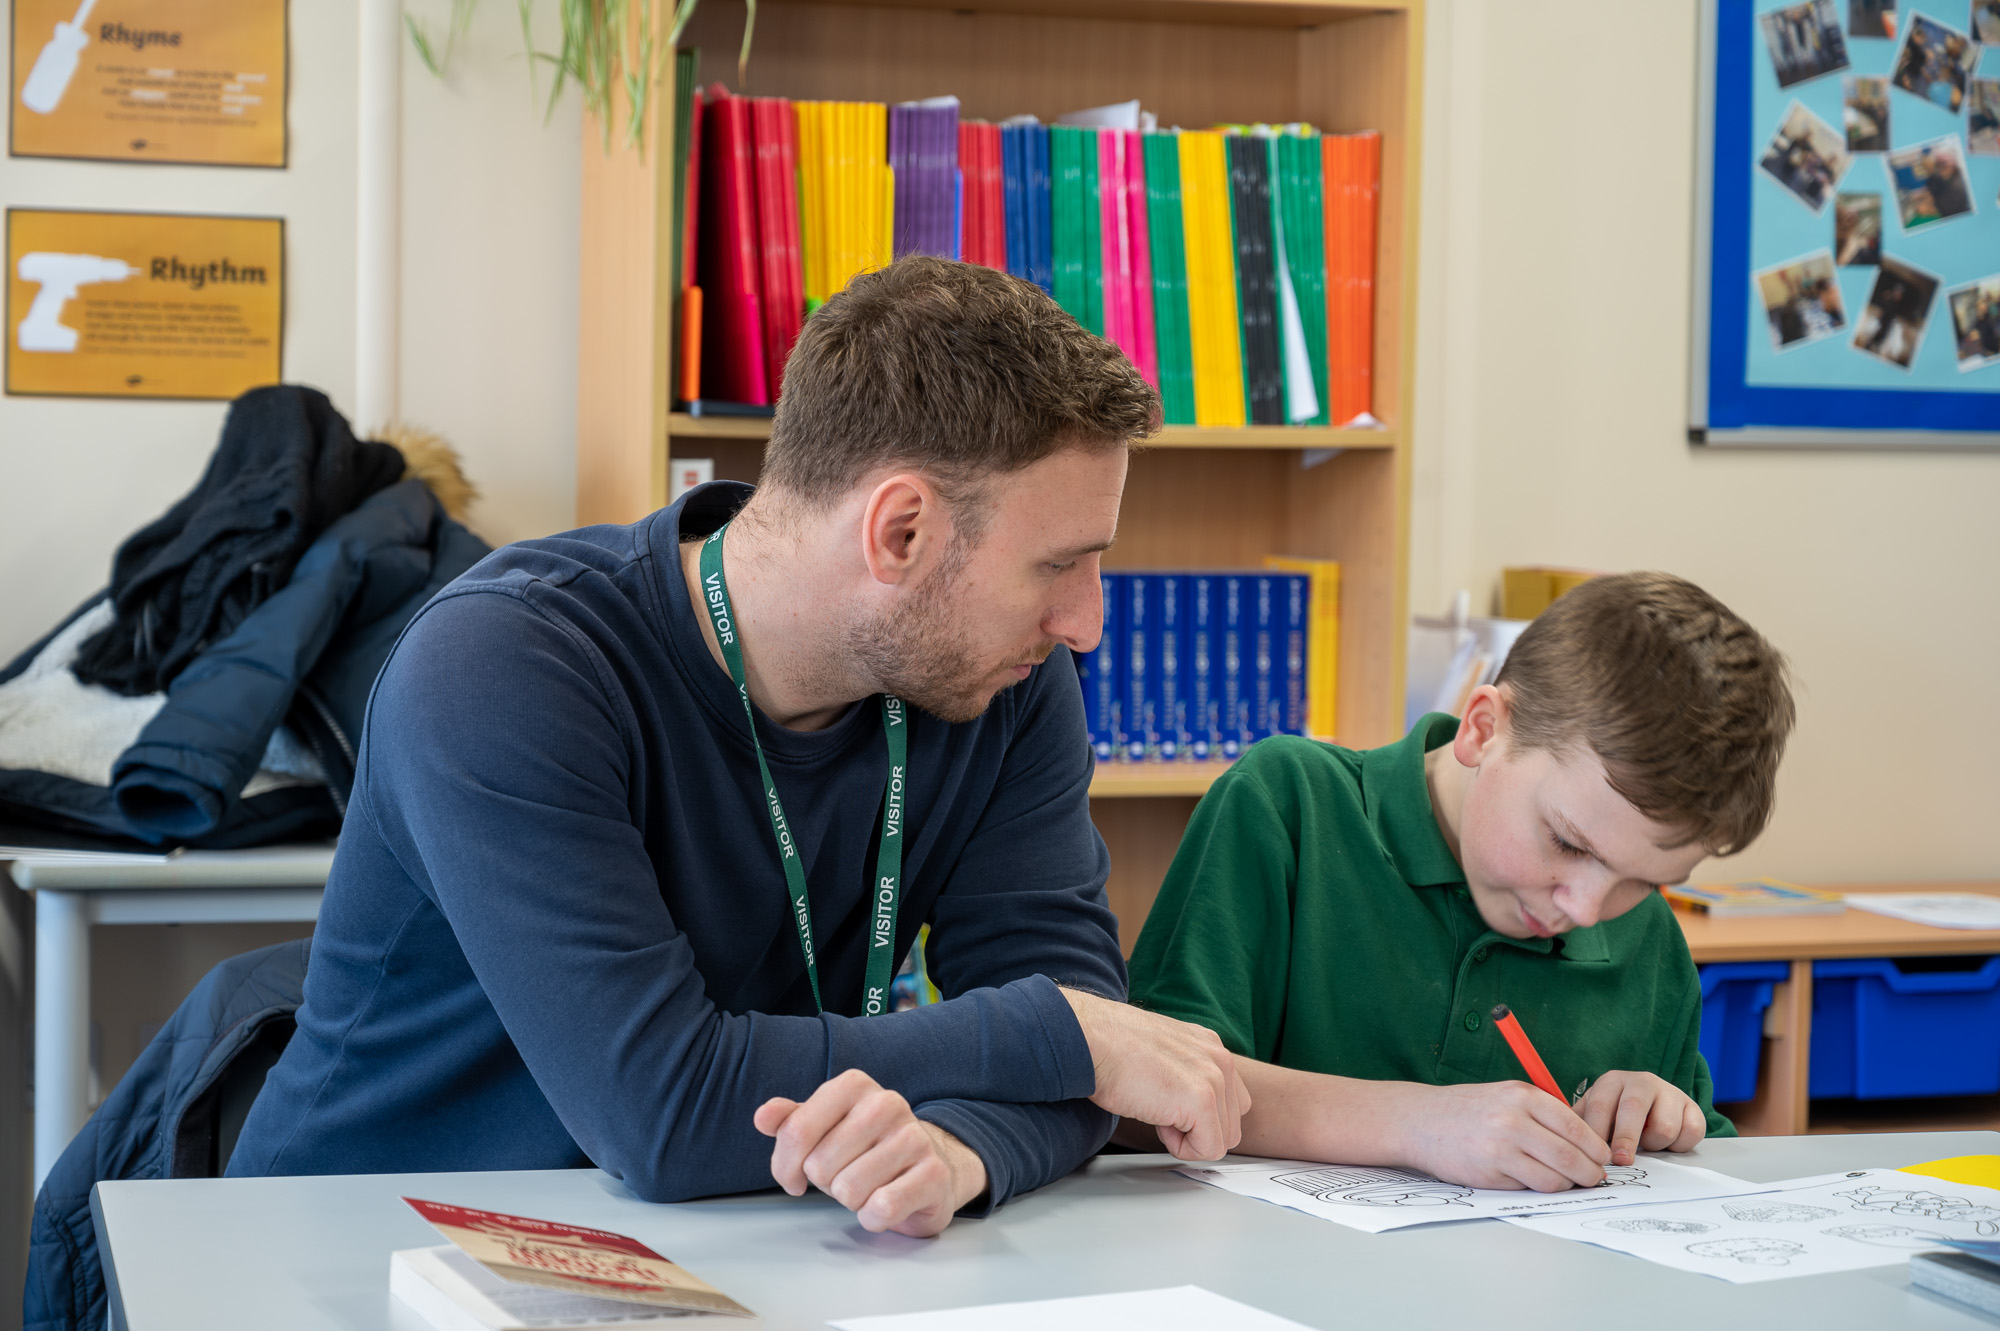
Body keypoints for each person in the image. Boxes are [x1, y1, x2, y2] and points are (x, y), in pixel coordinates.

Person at [228, 257, 1251, 1236]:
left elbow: (1100, 1052)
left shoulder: (1005, 677)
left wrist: (959, 1147)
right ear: (899, 531)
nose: (1086, 622)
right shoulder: (502, 664)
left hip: (734, 1251)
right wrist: (1046, 1040)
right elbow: (665, 1111)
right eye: (1058, 565)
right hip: (369, 1247)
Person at [1122, 573, 1795, 1193]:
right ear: (1482, 729)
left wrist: (1660, 1122)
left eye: (1645, 882)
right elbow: (1149, 1096)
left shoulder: (1648, 940)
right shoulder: (1288, 805)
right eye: (1567, 841)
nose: (1588, 909)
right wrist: (1419, 1123)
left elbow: (1691, 1178)